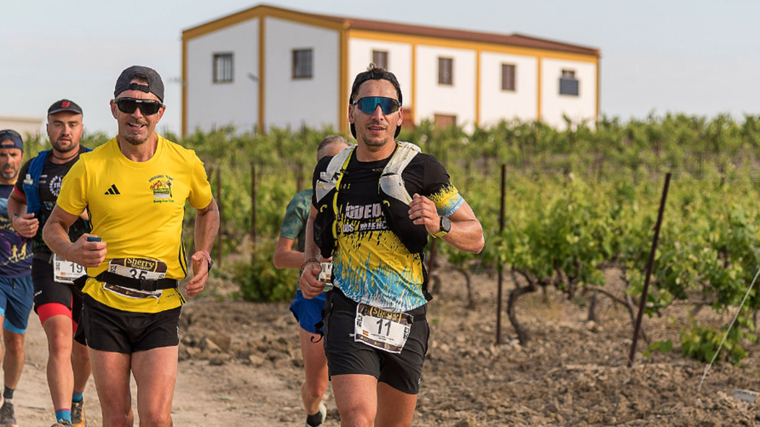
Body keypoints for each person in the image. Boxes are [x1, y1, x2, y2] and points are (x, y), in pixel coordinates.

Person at [300, 65, 485, 427]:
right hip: (348, 310)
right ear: (351, 112)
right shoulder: (330, 170)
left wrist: (439, 224)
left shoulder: (422, 169)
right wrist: (310, 263)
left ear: (400, 116)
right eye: (368, 103)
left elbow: (476, 235)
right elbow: (315, 217)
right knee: (357, 418)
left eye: (387, 104)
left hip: (406, 316)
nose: (377, 114)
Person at [42, 65, 220, 427]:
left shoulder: (184, 162)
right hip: (105, 302)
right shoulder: (90, 166)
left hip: (161, 303)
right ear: (114, 108)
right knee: (118, 416)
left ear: (161, 113)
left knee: (155, 417)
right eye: (128, 104)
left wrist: (203, 253)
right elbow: (53, 228)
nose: (137, 114)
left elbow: (208, 208)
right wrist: (74, 250)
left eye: (148, 107)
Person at [7, 100, 92, 427]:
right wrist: (17, 221)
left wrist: (94, 213)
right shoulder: (34, 166)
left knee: (82, 350)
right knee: (59, 339)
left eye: (72, 124)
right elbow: (16, 200)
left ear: (81, 128)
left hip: (89, 265)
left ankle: (77, 398)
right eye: (58, 124)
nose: (65, 130)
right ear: (48, 128)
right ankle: (64, 420)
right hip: (47, 261)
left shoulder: (96, 163)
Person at [273, 135, 348, 427]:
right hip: (315, 296)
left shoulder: (363, 196)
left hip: (355, 296)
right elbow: (281, 257)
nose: (334, 169)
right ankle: (313, 415)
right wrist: (315, 260)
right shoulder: (305, 202)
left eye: (340, 162)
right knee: (316, 388)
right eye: (326, 163)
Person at [0, 130, 33, 427]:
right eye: (2, 154)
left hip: (24, 278)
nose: (8, 161)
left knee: (15, 345)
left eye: (13, 155)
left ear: (21, 157)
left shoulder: (31, 191)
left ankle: (7, 401)